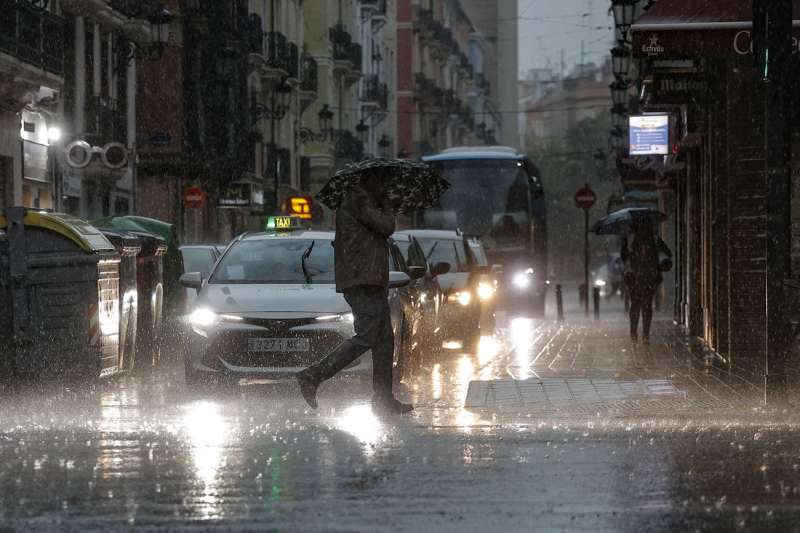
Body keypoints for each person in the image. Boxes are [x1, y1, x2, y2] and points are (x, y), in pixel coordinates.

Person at [295, 170, 413, 415]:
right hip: (362, 279)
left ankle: (383, 399)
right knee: (368, 335)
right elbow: (386, 227)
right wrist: (390, 207)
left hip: (369, 279)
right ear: (371, 181)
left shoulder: (364, 201)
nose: (386, 188)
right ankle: (312, 375)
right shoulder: (359, 201)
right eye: (383, 182)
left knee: (384, 341)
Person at [621, 218, 671, 345]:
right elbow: (668, 253)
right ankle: (641, 334)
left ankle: (639, 333)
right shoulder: (651, 239)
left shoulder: (635, 239)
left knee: (639, 304)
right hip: (644, 276)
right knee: (644, 305)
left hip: (641, 276)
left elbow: (624, 257)